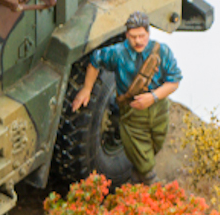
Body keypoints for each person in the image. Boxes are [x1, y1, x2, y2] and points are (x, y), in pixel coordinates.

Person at [70, 11, 182, 182]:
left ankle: (137, 174)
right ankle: (149, 180)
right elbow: (95, 60)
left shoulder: (162, 52)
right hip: (132, 110)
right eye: (133, 37)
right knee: (144, 161)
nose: (138, 41)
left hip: (158, 107)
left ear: (148, 33)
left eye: (142, 36)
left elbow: (174, 82)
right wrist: (87, 88)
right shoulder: (118, 53)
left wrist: (153, 97)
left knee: (156, 142)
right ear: (127, 35)